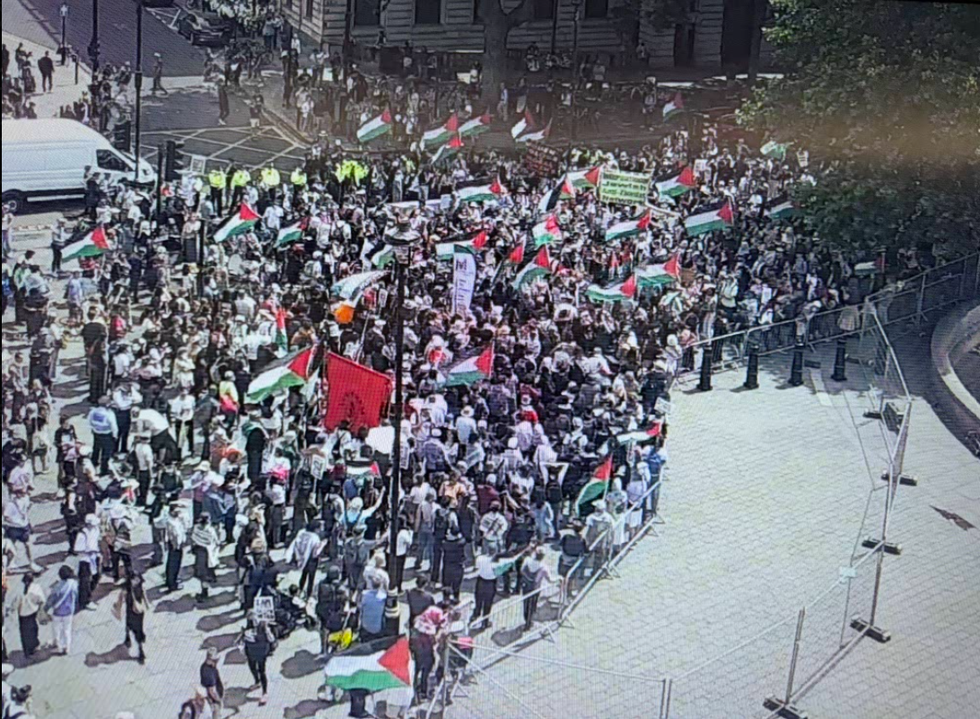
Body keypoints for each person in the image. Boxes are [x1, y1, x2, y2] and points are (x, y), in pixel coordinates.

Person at [239, 614, 276, 706]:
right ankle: (257, 681)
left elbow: (271, 639)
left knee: (262, 671)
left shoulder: (263, 629)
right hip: (252, 653)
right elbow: (243, 640)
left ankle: (265, 692)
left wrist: (267, 629)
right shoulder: (248, 630)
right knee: (252, 667)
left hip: (260, 653)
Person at [114, 572, 149, 664]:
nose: (135, 581)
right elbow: (120, 600)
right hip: (131, 612)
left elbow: (144, 596)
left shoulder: (140, 587)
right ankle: (137, 647)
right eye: (134, 579)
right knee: (131, 626)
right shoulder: (126, 590)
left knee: (138, 629)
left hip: (139, 613)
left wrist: (146, 605)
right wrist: (118, 610)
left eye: (137, 579)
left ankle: (136, 644)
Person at [44, 565, 78, 656]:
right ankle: (66, 647)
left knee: (56, 629)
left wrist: (45, 609)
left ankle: (57, 643)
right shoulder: (73, 584)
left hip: (57, 612)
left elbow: (51, 600)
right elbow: (75, 595)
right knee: (67, 629)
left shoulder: (57, 587)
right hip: (69, 611)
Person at [14, 573, 46, 660]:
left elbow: (16, 604)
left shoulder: (19, 591)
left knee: (24, 633)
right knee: (33, 629)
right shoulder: (36, 588)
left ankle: (27, 650)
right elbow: (42, 600)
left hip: (22, 614)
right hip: (32, 612)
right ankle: (34, 645)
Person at [199, 647, 224, 718]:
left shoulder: (208, 667)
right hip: (211, 697)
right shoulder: (208, 672)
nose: (217, 662)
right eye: (216, 660)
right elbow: (211, 690)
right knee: (216, 709)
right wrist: (218, 700)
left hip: (212, 693)